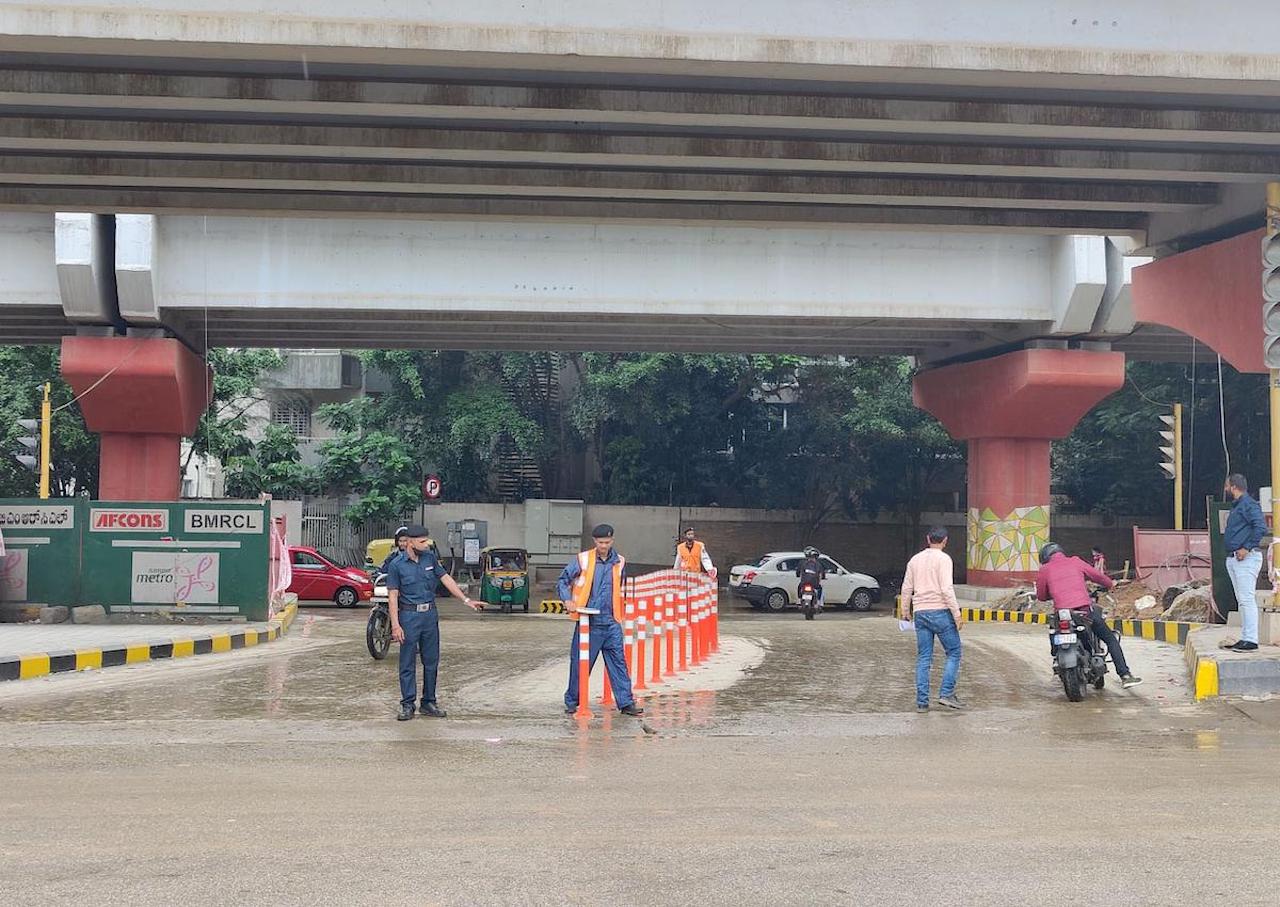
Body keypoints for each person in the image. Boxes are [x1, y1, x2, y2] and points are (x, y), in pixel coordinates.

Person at [387, 524, 480, 721]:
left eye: (426, 540)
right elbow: (393, 596)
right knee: (407, 662)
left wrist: (466, 600)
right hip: (409, 616)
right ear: (410, 542)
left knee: (431, 661)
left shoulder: (429, 558)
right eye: (422, 541)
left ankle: (429, 702)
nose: (426, 544)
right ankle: (407, 704)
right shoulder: (396, 565)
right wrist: (395, 624)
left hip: (429, 615)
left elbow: (446, 579)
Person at [558, 524, 644, 717]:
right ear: (594, 541)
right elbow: (563, 580)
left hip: (612, 621)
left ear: (612, 540)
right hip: (589, 621)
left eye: (607, 542)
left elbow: (620, 588)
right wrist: (567, 600)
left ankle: (626, 702)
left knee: (619, 663)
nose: (603, 546)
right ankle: (573, 701)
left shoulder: (620, 561)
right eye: (600, 542)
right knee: (581, 663)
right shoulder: (583, 559)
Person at [1035, 541, 1142, 687]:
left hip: (1062, 615)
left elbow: (1041, 596)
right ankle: (1125, 675)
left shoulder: (1045, 569)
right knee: (1110, 639)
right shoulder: (1075, 561)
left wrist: (1053, 593)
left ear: (1045, 558)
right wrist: (1110, 584)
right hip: (1084, 611)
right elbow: (1098, 576)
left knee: (1054, 630)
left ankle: (1056, 659)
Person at [901, 526, 965, 712]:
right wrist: (957, 614)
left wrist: (905, 610)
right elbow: (946, 589)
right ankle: (946, 693)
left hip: (920, 613)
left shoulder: (915, 560)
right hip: (940, 612)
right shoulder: (944, 559)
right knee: (954, 652)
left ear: (928, 539)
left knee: (924, 658)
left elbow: (906, 587)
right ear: (945, 541)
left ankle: (922, 702)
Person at [1223, 473, 1267, 652]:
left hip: (1246, 558)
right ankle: (1246, 637)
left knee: (1247, 599)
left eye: (1227, 485)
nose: (1225, 489)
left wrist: (1247, 548)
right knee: (1242, 600)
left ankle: (1251, 640)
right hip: (1235, 558)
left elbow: (1261, 527)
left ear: (1233, 486)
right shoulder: (1238, 506)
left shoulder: (1248, 505)